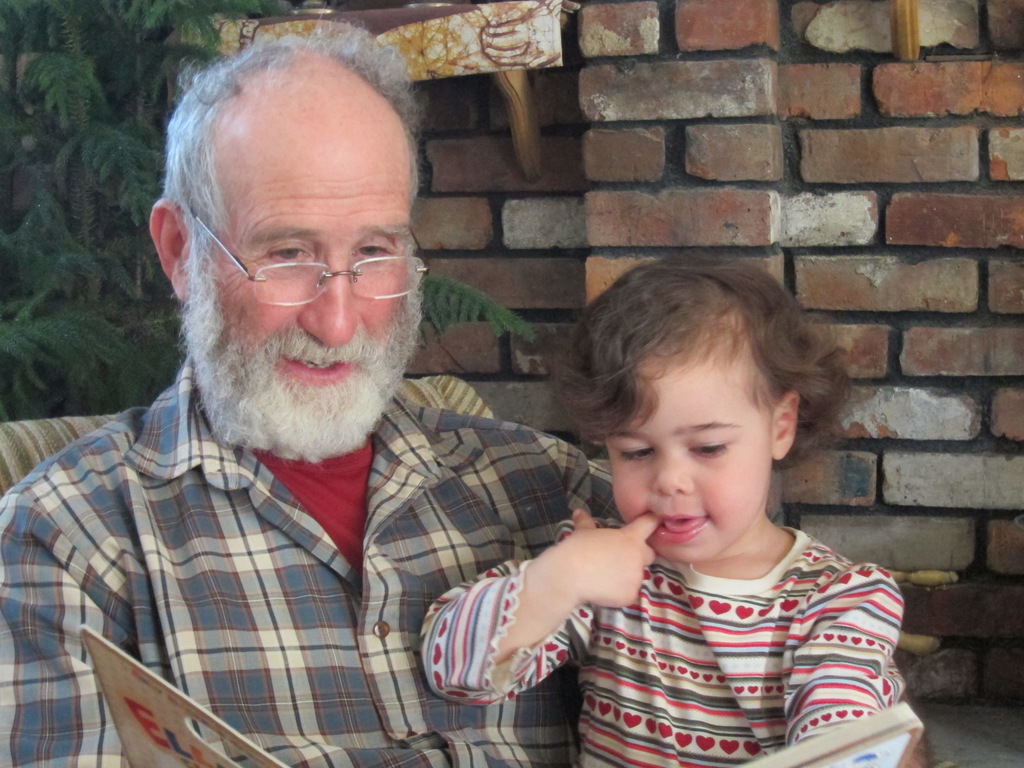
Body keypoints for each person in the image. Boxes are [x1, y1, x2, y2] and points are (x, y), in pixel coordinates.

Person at [0, 26, 616, 767]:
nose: (338, 322)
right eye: (287, 254)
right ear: (180, 252)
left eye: (374, 253)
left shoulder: (548, 489)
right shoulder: (65, 542)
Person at [422, 259, 913, 766]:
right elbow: (453, 672)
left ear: (781, 426)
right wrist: (556, 580)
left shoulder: (840, 599)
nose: (669, 480)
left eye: (708, 447)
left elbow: (839, 737)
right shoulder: (605, 574)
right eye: (636, 452)